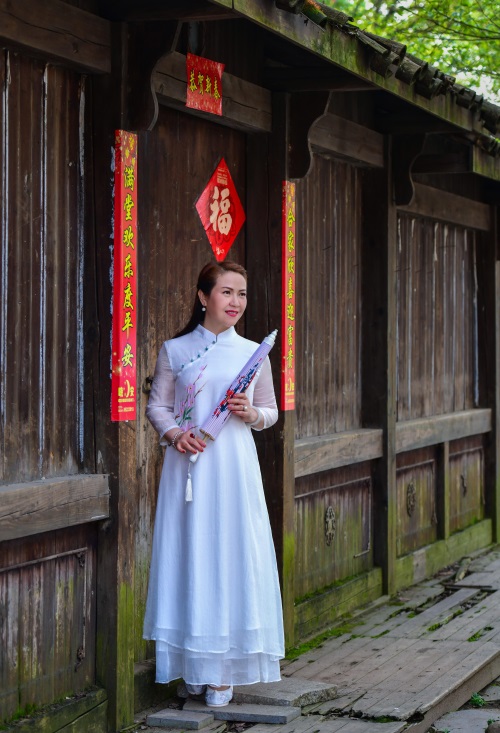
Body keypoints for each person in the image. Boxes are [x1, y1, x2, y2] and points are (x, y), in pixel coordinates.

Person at [143, 261, 284, 708]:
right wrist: (174, 434)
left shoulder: (253, 353)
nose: (236, 301)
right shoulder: (176, 349)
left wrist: (251, 413)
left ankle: (222, 671)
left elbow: (270, 411)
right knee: (191, 554)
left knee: (229, 553)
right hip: (187, 467)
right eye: (226, 292)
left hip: (233, 466)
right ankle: (193, 666)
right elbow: (157, 406)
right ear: (204, 297)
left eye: (242, 294)